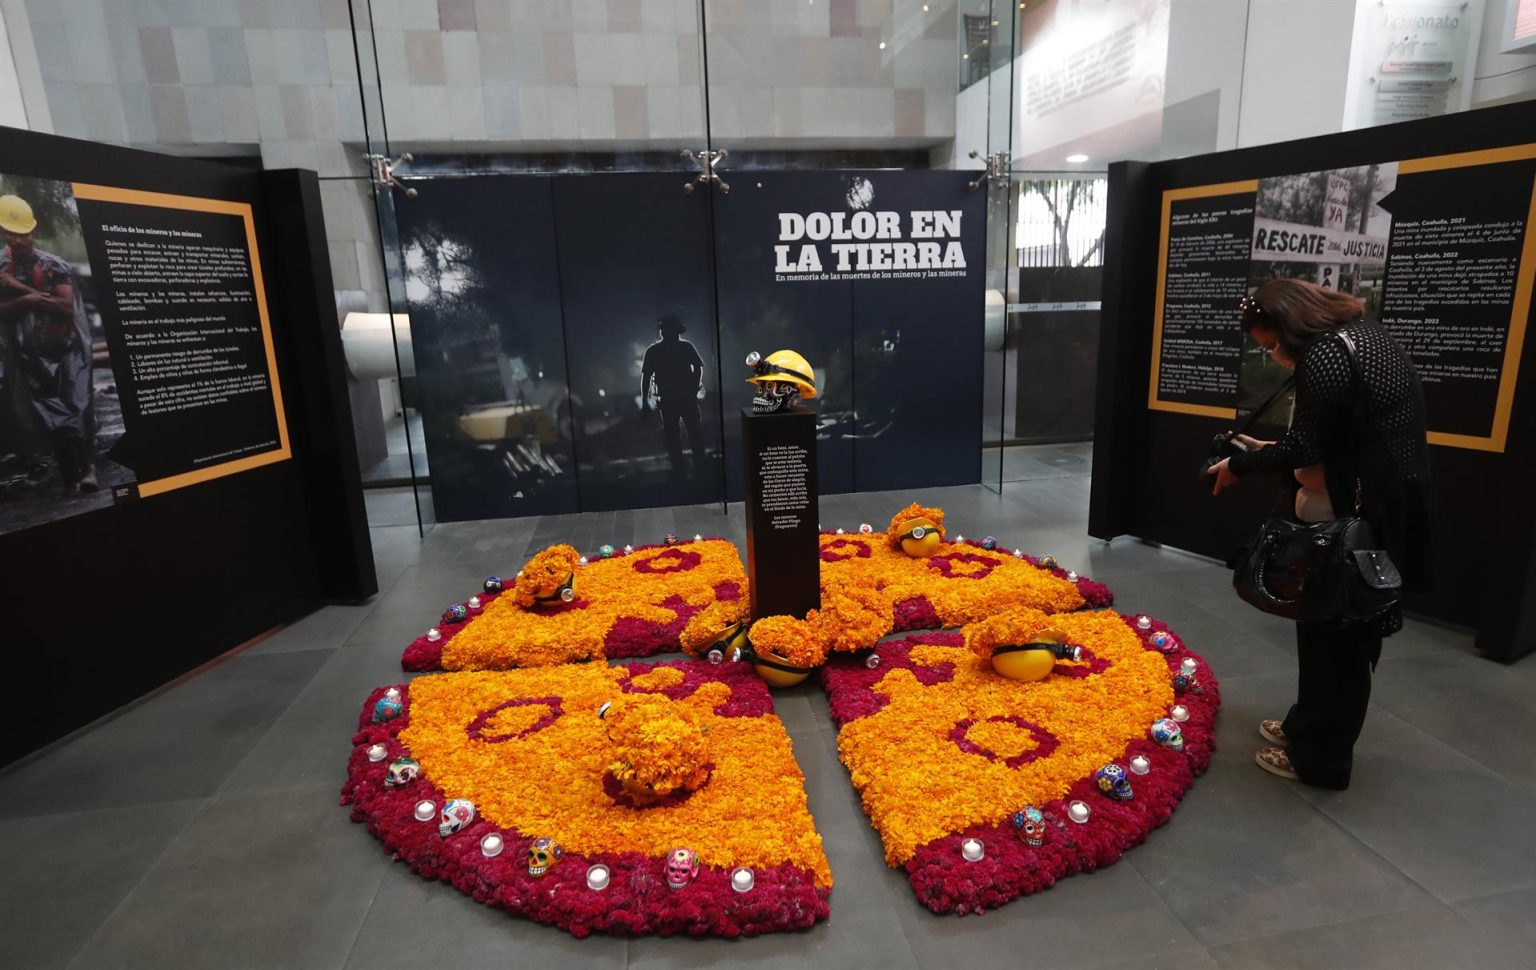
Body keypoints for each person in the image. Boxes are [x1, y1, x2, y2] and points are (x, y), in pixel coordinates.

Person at [1207, 278, 1431, 790]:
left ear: (1291, 326)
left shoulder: (1328, 354)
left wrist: (1242, 464)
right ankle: (1307, 725)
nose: (1275, 357)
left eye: (1271, 345)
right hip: (1376, 504)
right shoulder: (1360, 336)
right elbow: (1332, 435)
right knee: (1325, 620)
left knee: (1341, 635)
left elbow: (1306, 446)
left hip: (1356, 516)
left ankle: (1323, 759)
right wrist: (1268, 449)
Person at [0, 193, 97, 494]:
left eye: (24, 234)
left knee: (78, 404)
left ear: (34, 232)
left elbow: (66, 307)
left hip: (68, 346)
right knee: (49, 413)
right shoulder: (1, 268)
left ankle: (89, 470)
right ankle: (71, 477)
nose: (19, 241)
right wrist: (25, 300)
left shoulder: (55, 266)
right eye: (11, 234)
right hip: (31, 353)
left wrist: (23, 291)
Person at [639, 313, 704, 480]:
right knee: (688, 433)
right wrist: (694, 386)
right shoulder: (684, 347)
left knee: (676, 435)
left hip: (671, 399)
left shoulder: (654, 351)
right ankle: (694, 468)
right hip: (680, 398)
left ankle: (683, 469)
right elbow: (697, 368)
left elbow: (646, 377)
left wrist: (646, 402)